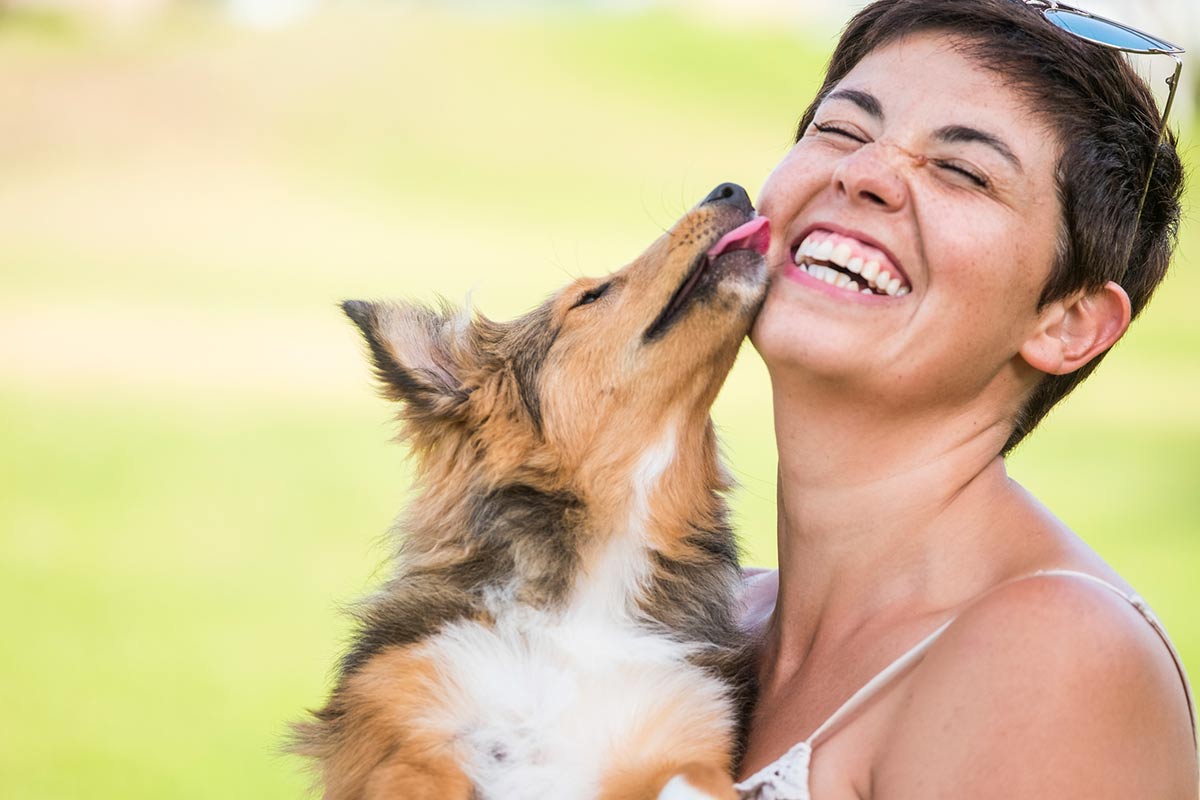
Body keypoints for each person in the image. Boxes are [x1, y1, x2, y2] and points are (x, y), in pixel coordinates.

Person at [735, 0, 1197, 797]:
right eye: (843, 129)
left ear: (1069, 323)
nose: (864, 172)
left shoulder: (1053, 654)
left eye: (962, 170)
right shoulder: (711, 621)